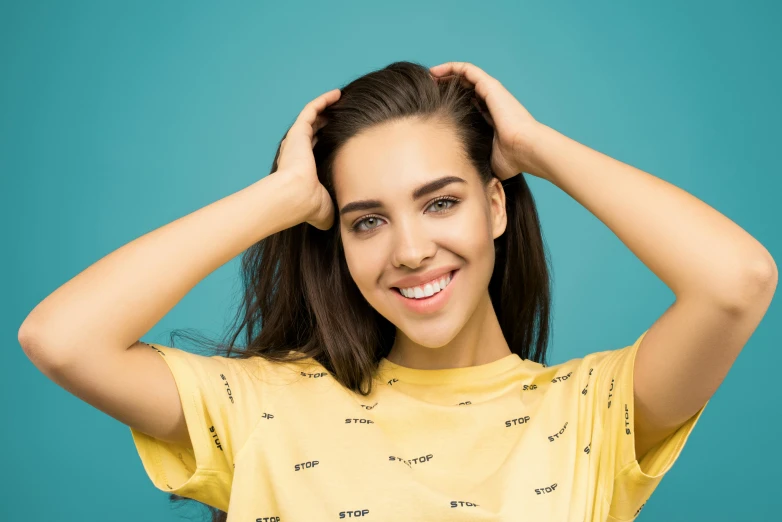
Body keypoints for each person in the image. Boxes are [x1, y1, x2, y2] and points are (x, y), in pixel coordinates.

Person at [18, 61, 776, 522]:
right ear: (336, 239)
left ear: (497, 204)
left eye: (442, 201)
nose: (411, 251)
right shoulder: (262, 407)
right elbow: (60, 338)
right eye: (367, 221)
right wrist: (281, 197)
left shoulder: (590, 413)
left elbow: (737, 282)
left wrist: (536, 147)